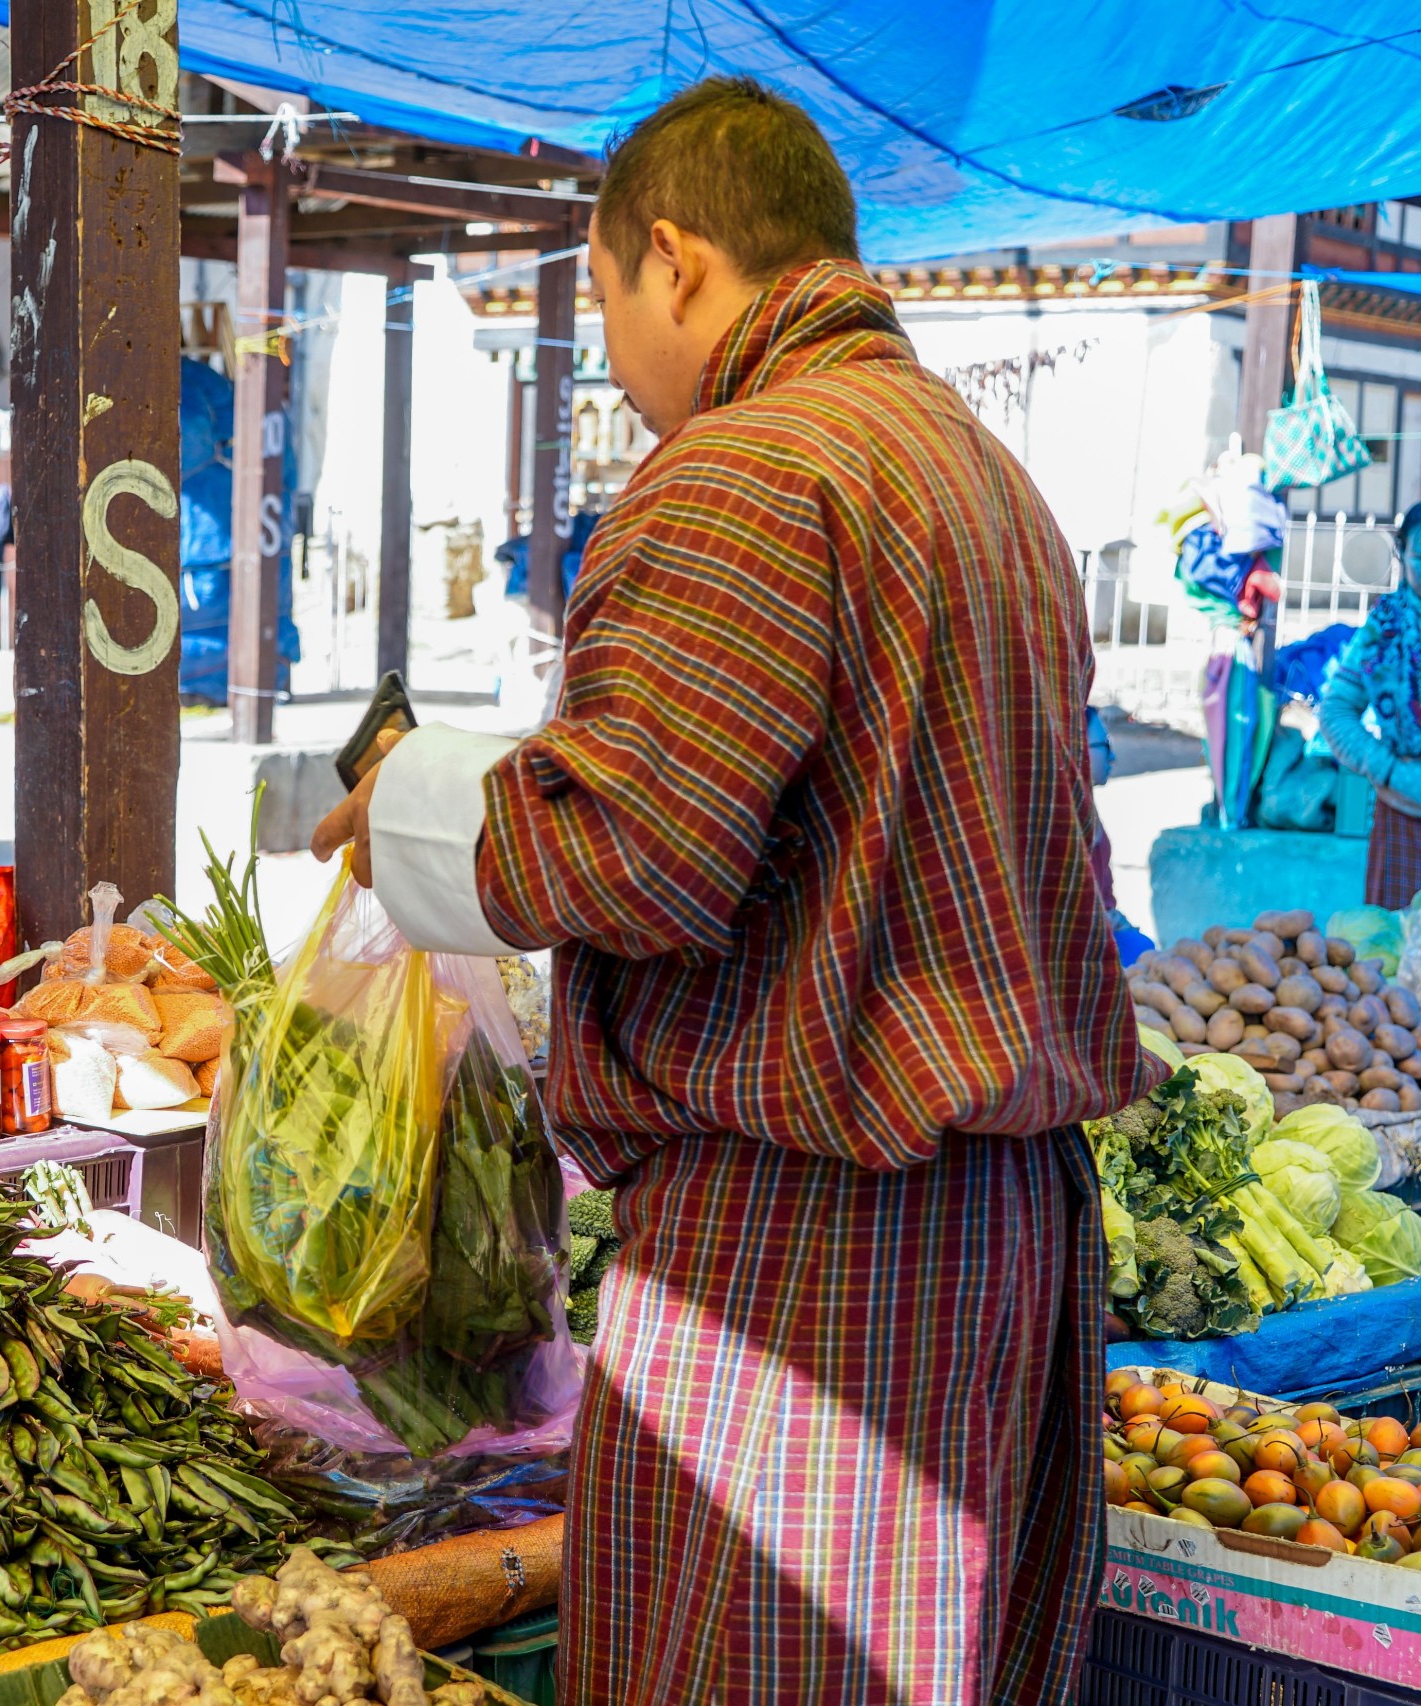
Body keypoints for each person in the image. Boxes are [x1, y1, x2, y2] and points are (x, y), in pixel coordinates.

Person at [312, 79, 1152, 1704]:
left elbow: (631, 846)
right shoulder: (985, 477)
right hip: (991, 1232)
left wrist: (406, 803)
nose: (617, 361)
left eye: (607, 299)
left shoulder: (748, 470)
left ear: (675, 260)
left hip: (813, 1242)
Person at [1316, 505, 1421, 907]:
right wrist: (1390, 770)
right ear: (1401, 552)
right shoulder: (1384, 629)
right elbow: (1336, 711)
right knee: (1396, 939)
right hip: (1403, 817)